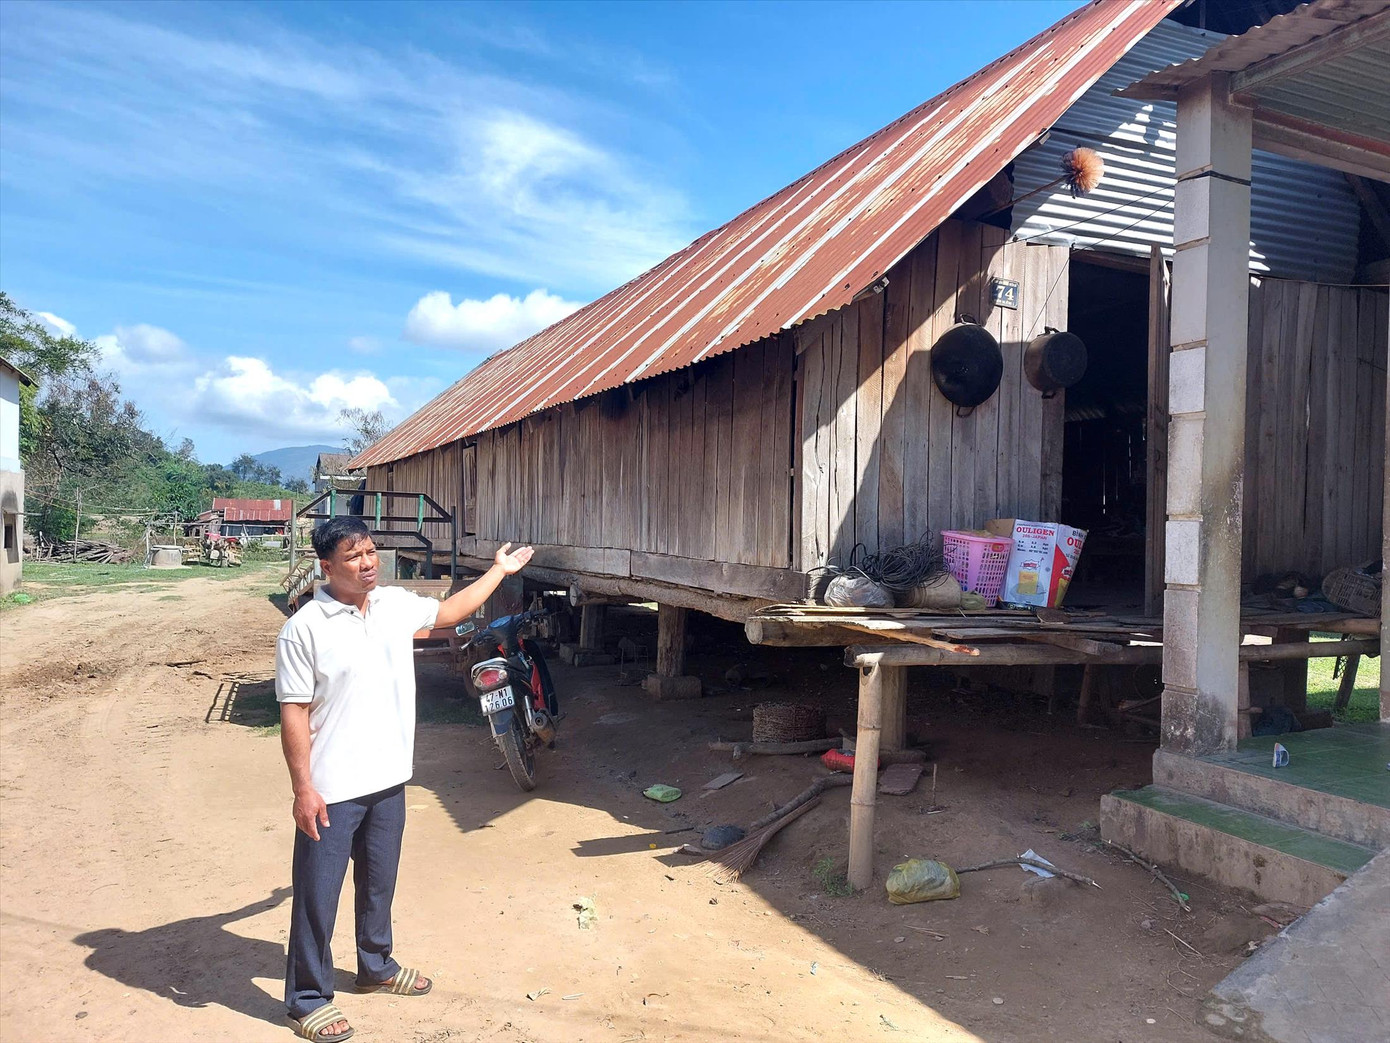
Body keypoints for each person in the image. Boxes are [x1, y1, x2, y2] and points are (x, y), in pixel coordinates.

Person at [275, 515, 533, 1041]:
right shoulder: (304, 628)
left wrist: (498, 572)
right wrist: (304, 788)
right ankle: (307, 998)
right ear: (326, 566)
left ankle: (375, 966)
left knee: (379, 882)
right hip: (333, 786)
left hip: (390, 777)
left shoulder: (393, 605)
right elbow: (294, 713)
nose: (367, 563)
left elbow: (448, 610)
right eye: (353, 556)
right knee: (317, 893)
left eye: (370, 552)